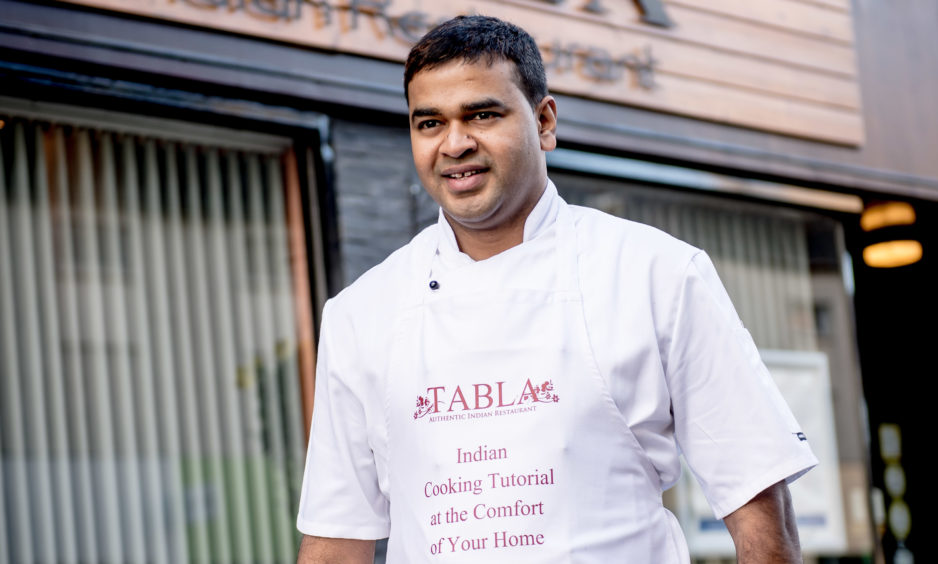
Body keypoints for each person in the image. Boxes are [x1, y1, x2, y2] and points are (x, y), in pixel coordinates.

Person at [296, 15, 817, 564]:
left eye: (482, 114)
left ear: (544, 121)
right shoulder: (361, 312)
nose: (454, 143)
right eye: (429, 123)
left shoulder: (656, 273)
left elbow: (758, 500)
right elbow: (336, 537)